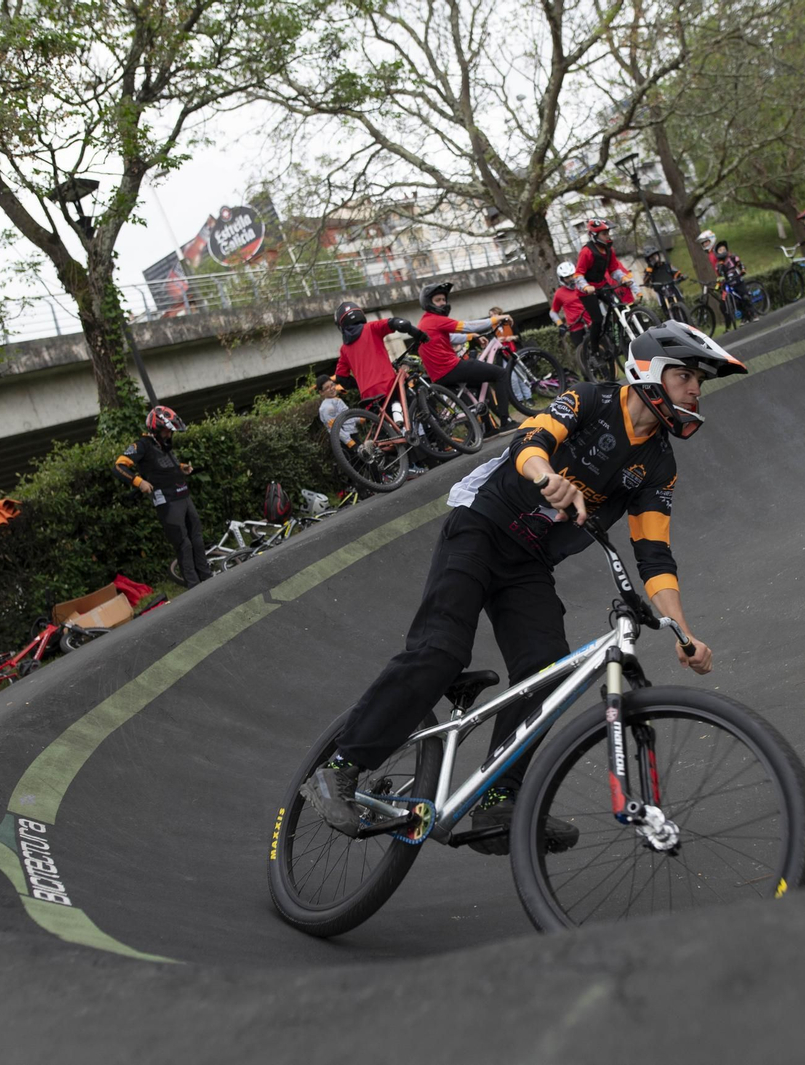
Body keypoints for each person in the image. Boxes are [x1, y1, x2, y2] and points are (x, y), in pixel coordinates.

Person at [303, 321, 746, 855]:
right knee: (441, 652)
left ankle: (499, 798)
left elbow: (654, 555)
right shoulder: (588, 399)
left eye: (700, 381)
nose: (696, 390)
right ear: (650, 373)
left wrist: (682, 630)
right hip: (481, 527)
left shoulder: (658, 465)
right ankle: (341, 767)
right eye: (685, 377)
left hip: (529, 563)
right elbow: (530, 442)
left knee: (546, 671)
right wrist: (546, 476)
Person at [113, 405, 212, 588]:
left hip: (184, 496)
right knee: (184, 544)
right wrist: (138, 482)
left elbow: (162, 464)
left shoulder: (163, 445)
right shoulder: (141, 445)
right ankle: (196, 587)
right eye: (167, 431)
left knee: (197, 539)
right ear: (156, 429)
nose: (169, 435)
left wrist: (181, 467)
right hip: (167, 502)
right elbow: (119, 467)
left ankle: (208, 578)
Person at [416, 281, 517, 435]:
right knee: (500, 373)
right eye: (438, 300)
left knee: (479, 383)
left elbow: (450, 338)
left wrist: (471, 337)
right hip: (450, 368)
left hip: (439, 375)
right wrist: (497, 318)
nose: (443, 303)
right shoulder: (435, 319)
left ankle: (488, 427)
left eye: (444, 299)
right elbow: (469, 325)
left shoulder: (425, 322)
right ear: (428, 303)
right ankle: (506, 421)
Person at [325, 301, 427, 422]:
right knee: (415, 414)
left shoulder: (344, 349)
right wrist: (417, 333)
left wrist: (360, 385)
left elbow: (341, 378)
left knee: (386, 428)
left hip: (368, 395)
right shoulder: (371, 328)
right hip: (388, 386)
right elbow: (397, 323)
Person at [574, 218, 634, 360]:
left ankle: (620, 337)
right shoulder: (586, 252)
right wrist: (586, 287)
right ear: (594, 235)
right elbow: (578, 275)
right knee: (597, 319)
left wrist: (623, 278)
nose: (608, 236)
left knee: (620, 306)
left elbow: (614, 270)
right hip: (586, 291)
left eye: (608, 233)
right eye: (604, 234)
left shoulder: (609, 250)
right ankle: (595, 350)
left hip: (602, 285)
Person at [548, 262, 592, 364]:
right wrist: (560, 324)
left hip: (590, 321)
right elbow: (553, 312)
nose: (571, 278)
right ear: (562, 279)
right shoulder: (559, 293)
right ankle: (587, 375)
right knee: (582, 355)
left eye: (572, 275)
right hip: (575, 327)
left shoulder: (583, 285)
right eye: (567, 277)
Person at [710, 238, 759, 322]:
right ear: (717, 253)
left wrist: (742, 270)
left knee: (745, 297)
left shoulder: (732, 257)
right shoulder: (719, 265)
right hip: (729, 284)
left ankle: (753, 313)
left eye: (724, 249)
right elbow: (719, 276)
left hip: (738, 280)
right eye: (720, 250)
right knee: (735, 301)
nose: (723, 251)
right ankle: (744, 317)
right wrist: (718, 285)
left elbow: (740, 264)